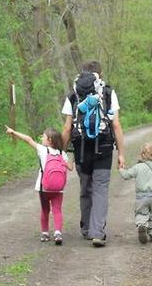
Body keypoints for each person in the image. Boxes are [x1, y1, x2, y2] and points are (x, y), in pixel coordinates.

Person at [61, 60, 125, 247]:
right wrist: (121, 153)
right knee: (100, 189)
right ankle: (98, 232)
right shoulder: (107, 93)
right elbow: (116, 124)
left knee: (85, 188)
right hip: (103, 147)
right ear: (100, 74)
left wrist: (62, 154)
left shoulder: (73, 95)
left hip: (81, 148)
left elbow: (67, 128)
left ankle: (87, 228)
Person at [5, 125, 72, 245]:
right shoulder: (62, 153)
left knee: (45, 210)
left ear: (49, 140)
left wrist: (13, 132)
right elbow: (70, 168)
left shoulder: (43, 150)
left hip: (44, 187)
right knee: (57, 210)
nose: (42, 138)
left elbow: (28, 139)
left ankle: (45, 233)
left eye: (43, 136)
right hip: (58, 189)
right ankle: (57, 233)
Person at [118, 142, 152, 244]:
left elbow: (126, 175)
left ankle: (142, 225)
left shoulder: (138, 167)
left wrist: (121, 168)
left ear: (143, 154)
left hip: (142, 197)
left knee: (141, 213)